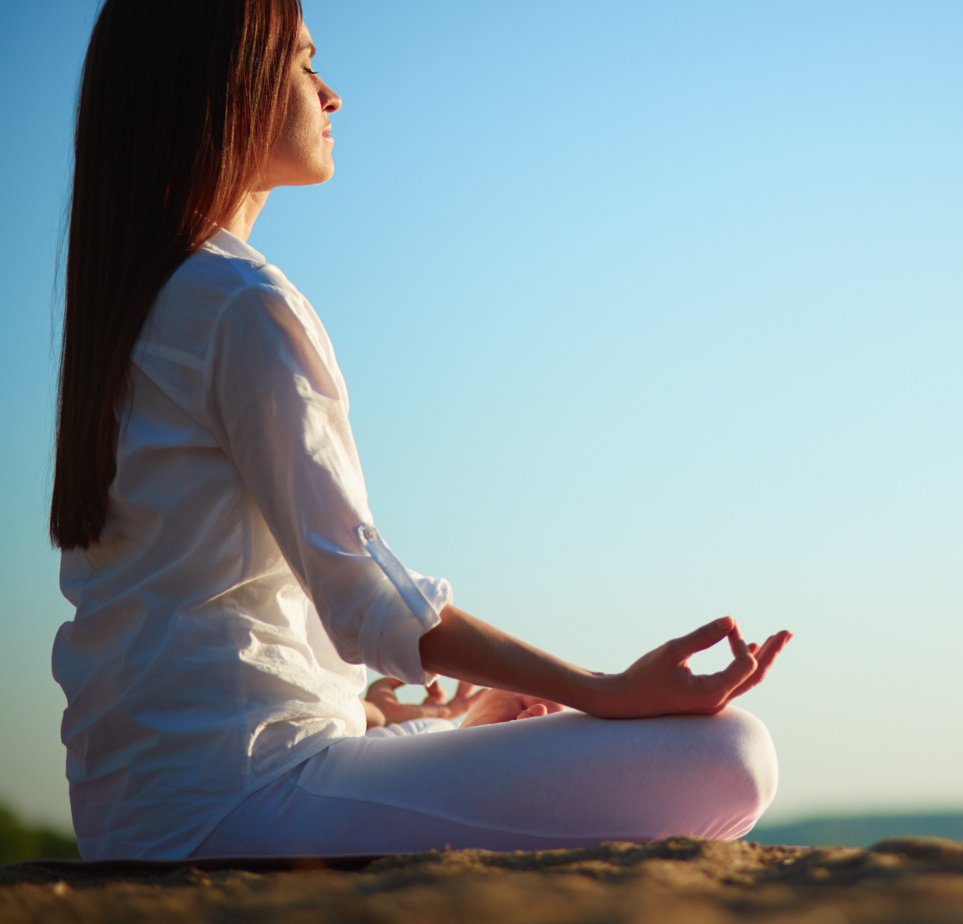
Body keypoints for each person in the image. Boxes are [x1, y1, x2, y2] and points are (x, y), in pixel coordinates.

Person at [49, 0, 791, 861]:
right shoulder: (241, 305)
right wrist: (607, 691)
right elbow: (358, 589)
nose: (329, 94)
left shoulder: (140, 308)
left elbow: (193, 624)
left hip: (149, 806)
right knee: (735, 755)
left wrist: (402, 717)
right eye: (302, 62)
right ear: (227, 87)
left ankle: (436, 729)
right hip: (237, 801)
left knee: (488, 719)